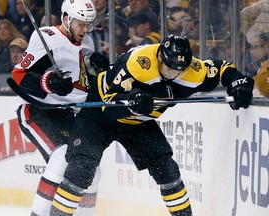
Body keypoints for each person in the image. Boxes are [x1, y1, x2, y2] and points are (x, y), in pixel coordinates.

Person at [49, 35, 254, 215]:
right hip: (100, 115)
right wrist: (132, 100)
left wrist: (239, 83)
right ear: (159, 57)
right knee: (81, 169)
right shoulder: (139, 63)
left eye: (178, 70)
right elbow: (110, 107)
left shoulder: (192, 70)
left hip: (139, 121)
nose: (172, 74)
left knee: (167, 170)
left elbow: (221, 69)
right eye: (168, 68)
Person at [11, 0, 109, 215]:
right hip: (38, 110)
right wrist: (49, 82)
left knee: (92, 168)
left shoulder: (88, 43)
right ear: (66, 18)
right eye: (80, 24)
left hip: (69, 113)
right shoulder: (47, 37)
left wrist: (98, 73)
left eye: (88, 24)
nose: (85, 30)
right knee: (62, 157)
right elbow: (18, 76)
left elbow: (83, 84)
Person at [252, 32, 269, 97]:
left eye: (254, 47)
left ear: (265, 48)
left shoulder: (265, 68)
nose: (252, 51)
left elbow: (257, 92)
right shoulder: (261, 66)